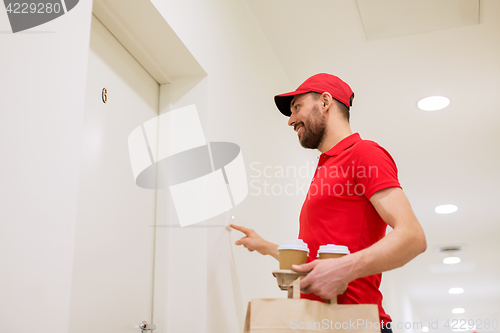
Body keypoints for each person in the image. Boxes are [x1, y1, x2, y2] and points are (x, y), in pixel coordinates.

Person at [231, 73, 427, 331]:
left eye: (297, 107)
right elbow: (321, 259)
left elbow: (413, 237)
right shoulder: (325, 167)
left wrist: (342, 269)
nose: (290, 120)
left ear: (325, 102)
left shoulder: (364, 153)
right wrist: (266, 246)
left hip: (353, 323)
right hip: (318, 322)